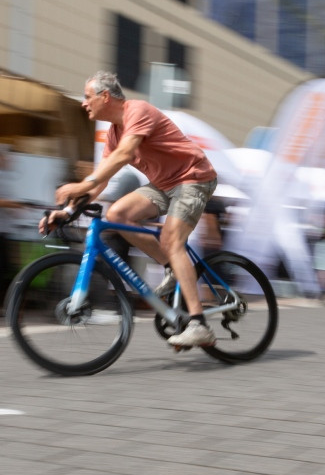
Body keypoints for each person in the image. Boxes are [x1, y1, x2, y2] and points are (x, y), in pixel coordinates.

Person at [40, 71, 219, 349]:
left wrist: (81, 184)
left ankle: (199, 325)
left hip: (193, 177)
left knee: (173, 240)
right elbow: (100, 183)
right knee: (116, 215)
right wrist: (66, 211)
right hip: (164, 184)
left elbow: (124, 155)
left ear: (105, 96)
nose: (83, 104)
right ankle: (174, 268)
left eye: (88, 97)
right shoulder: (112, 133)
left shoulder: (138, 110)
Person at [0, 143, 23, 315]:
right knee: (1, 268)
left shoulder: (3, 175)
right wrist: (14, 205)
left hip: (3, 228)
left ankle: (1, 303)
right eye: (5, 156)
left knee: (3, 267)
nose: (8, 159)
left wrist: (13, 208)